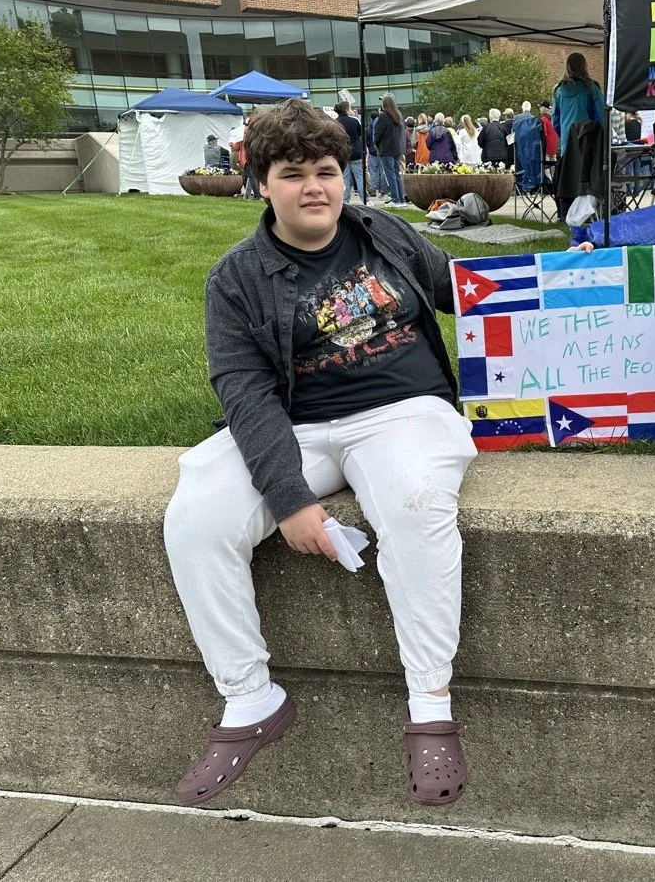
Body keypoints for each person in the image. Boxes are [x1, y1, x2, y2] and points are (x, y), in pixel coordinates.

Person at [164, 98, 477, 810]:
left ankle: (430, 705)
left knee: (414, 500)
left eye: (328, 171)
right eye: (293, 172)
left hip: (406, 412)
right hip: (296, 425)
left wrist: (563, 280)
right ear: (261, 183)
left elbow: (463, 291)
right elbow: (243, 393)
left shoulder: (385, 234)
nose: (315, 187)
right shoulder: (236, 278)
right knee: (197, 516)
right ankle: (250, 700)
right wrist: (290, 500)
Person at [551, 52, 605, 156]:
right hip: (588, 140)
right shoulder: (591, 88)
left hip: (567, 142)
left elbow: (555, 121)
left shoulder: (558, 91)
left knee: (569, 170)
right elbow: (602, 116)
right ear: (584, 66)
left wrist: (565, 134)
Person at [375, 92, 407, 207]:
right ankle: (401, 199)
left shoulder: (383, 116)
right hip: (396, 148)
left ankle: (395, 199)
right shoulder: (397, 115)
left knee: (391, 174)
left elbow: (378, 133)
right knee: (396, 174)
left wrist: (376, 144)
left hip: (386, 148)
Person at [333, 101, 365, 204]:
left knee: (345, 178)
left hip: (343, 152)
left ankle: (345, 200)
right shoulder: (354, 121)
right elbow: (361, 133)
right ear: (347, 109)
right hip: (356, 151)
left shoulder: (335, 123)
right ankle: (364, 198)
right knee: (359, 176)